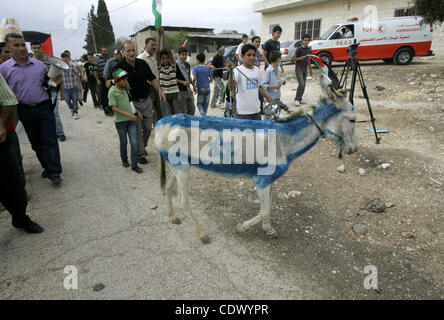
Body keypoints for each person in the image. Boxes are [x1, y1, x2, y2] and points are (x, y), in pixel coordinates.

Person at [0, 33, 62, 185]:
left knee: (50, 140)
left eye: (22, 45)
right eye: (16, 45)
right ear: (8, 47)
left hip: (44, 107)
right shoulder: (4, 69)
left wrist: (56, 82)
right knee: (36, 143)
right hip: (24, 110)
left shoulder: (39, 65)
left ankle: (55, 172)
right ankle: (47, 167)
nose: (21, 48)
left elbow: (49, 86)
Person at [0, 72, 44, 233]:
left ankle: (20, 218)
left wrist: (1, 125)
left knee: (11, 184)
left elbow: (9, 101)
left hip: (2, 138)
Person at [114, 40, 166, 165]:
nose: (131, 53)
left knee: (148, 128)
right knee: (137, 129)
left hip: (146, 100)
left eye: (133, 50)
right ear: (123, 52)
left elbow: (152, 78)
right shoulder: (119, 68)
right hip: (132, 103)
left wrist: (159, 90)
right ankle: (141, 154)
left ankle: (141, 146)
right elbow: (115, 86)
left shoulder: (142, 63)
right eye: (128, 51)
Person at [108, 68, 143, 174]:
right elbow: (113, 108)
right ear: (117, 80)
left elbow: (131, 103)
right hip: (120, 122)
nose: (126, 82)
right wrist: (128, 115)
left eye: (127, 80)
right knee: (123, 142)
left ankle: (134, 164)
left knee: (134, 143)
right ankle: (124, 159)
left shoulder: (127, 90)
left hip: (131, 121)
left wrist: (137, 112)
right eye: (124, 80)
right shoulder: (112, 91)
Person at [31, 40, 66, 141]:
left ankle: (60, 132)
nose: (37, 50)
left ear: (41, 48)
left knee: (54, 113)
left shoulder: (49, 60)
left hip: (52, 90)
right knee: (44, 115)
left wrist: (61, 91)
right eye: (34, 48)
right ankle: (50, 133)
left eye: (38, 48)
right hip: (38, 92)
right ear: (31, 49)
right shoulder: (30, 62)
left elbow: (59, 77)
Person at [228, 44, 271, 120]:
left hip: (256, 111)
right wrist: (231, 72)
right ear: (242, 56)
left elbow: (259, 88)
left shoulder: (257, 70)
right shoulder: (238, 70)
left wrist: (269, 98)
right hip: (243, 113)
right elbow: (230, 87)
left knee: (258, 132)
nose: (252, 57)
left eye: (253, 55)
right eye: (249, 55)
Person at [156, 27, 182, 116]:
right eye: (163, 58)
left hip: (174, 93)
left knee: (177, 115)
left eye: (166, 58)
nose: (165, 60)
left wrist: (163, 35)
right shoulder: (160, 67)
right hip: (164, 94)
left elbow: (169, 51)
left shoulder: (172, 65)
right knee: (166, 115)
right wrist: (159, 36)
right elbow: (157, 52)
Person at [138, 37, 162, 124]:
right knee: (148, 110)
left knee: (158, 109)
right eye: (151, 45)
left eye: (155, 45)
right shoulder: (141, 58)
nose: (154, 47)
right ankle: (145, 127)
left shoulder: (152, 58)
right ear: (146, 45)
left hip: (156, 87)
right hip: (148, 88)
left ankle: (158, 126)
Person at [262, 50, 286, 120]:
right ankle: (265, 130)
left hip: (276, 97)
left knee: (277, 115)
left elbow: (275, 82)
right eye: (280, 58)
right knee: (268, 117)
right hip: (269, 98)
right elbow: (263, 85)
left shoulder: (276, 69)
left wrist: (281, 83)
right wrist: (274, 86)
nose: (280, 60)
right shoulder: (269, 70)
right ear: (277, 59)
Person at [60, 52, 82, 119]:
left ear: (68, 58)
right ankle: (72, 108)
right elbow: (60, 79)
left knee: (75, 100)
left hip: (73, 86)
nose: (65, 59)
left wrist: (80, 86)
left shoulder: (72, 66)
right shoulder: (60, 68)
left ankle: (75, 113)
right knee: (67, 101)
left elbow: (78, 76)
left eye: (66, 58)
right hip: (65, 88)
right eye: (63, 58)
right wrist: (60, 91)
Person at [292, 34, 312, 106]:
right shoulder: (299, 49)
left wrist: (310, 69)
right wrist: (300, 58)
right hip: (299, 69)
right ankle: (296, 99)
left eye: (308, 40)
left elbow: (308, 58)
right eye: (305, 40)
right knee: (301, 84)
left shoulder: (308, 49)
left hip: (305, 69)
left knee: (304, 85)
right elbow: (293, 59)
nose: (306, 42)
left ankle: (300, 98)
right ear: (302, 41)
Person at [176, 47, 196, 115]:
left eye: (185, 54)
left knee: (192, 108)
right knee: (184, 110)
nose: (184, 56)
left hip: (188, 90)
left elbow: (188, 76)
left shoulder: (187, 64)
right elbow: (172, 78)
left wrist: (194, 86)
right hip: (180, 91)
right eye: (182, 54)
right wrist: (182, 82)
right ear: (178, 55)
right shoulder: (175, 65)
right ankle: (185, 125)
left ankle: (190, 124)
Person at [94, 47, 112, 116]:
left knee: (110, 94)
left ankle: (111, 109)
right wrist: (97, 79)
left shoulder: (110, 59)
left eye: (106, 51)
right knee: (103, 95)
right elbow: (95, 71)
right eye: (103, 51)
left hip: (109, 79)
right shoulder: (98, 61)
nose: (105, 53)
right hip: (101, 79)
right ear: (101, 52)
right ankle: (106, 110)